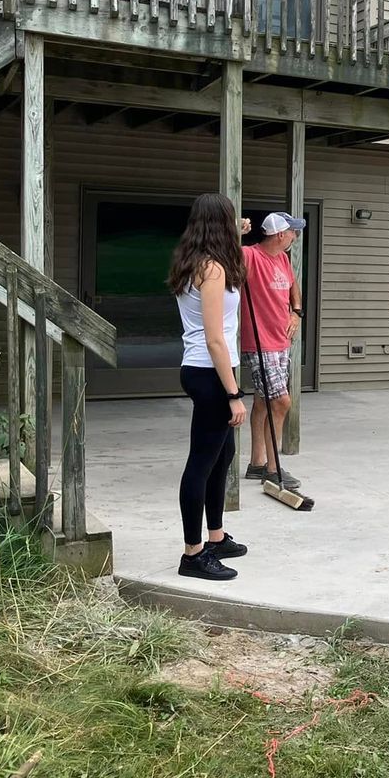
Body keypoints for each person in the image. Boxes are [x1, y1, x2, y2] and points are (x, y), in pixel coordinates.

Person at [167, 193, 250, 581]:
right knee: (201, 462)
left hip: (202, 368)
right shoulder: (213, 270)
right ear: (222, 223)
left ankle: (215, 536)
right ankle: (193, 553)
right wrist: (234, 393)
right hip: (211, 372)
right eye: (233, 220)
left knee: (223, 453)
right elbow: (216, 338)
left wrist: (241, 235)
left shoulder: (194, 262)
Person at [241, 212, 306, 491]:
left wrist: (296, 313)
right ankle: (272, 468)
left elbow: (293, 288)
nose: (295, 236)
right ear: (280, 234)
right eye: (293, 232)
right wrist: (237, 230)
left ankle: (257, 463)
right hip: (260, 342)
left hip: (281, 341)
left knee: (261, 402)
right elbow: (221, 253)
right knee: (280, 402)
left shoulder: (283, 258)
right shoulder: (249, 256)